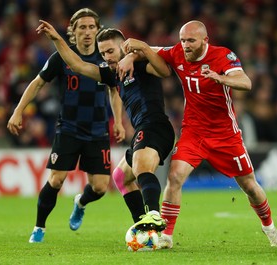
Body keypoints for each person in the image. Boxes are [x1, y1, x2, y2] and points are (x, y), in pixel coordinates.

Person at [120, 20, 277, 248]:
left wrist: (221, 78)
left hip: (225, 134)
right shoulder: (178, 52)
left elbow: (245, 82)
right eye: (182, 40)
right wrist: (130, 57)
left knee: (249, 185)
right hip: (194, 131)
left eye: (191, 41)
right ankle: (166, 236)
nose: (185, 45)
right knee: (175, 176)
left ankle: (269, 227)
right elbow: (151, 52)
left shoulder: (223, 56)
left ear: (205, 41)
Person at [36, 21, 175, 231]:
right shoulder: (111, 73)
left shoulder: (141, 64)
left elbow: (164, 70)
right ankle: (143, 227)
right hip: (143, 129)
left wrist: (138, 52)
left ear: (123, 47)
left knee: (140, 167)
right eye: (103, 53)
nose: (107, 56)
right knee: (121, 177)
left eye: (110, 50)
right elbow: (78, 65)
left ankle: (154, 216)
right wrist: (57, 39)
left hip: (155, 126)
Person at [7, 8, 125, 243]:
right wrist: (18, 111)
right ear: (73, 31)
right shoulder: (61, 57)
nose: (88, 32)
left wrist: (119, 121)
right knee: (56, 180)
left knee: (101, 187)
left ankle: (80, 202)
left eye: (92, 27)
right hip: (69, 128)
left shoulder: (106, 58)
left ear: (98, 29)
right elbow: (37, 83)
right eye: (82, 27)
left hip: (98, 130)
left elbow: (114, 90)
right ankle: (39, 228)